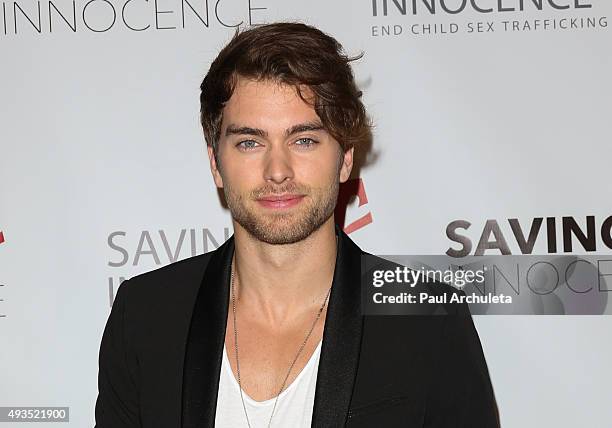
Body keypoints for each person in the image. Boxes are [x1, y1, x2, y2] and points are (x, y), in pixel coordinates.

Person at [95, 22, 499, 428]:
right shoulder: (146, 317)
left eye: (304, 140)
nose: (277, 171)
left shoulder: (428, 322)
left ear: (344, 158)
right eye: (249, 142)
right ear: (216, 164)